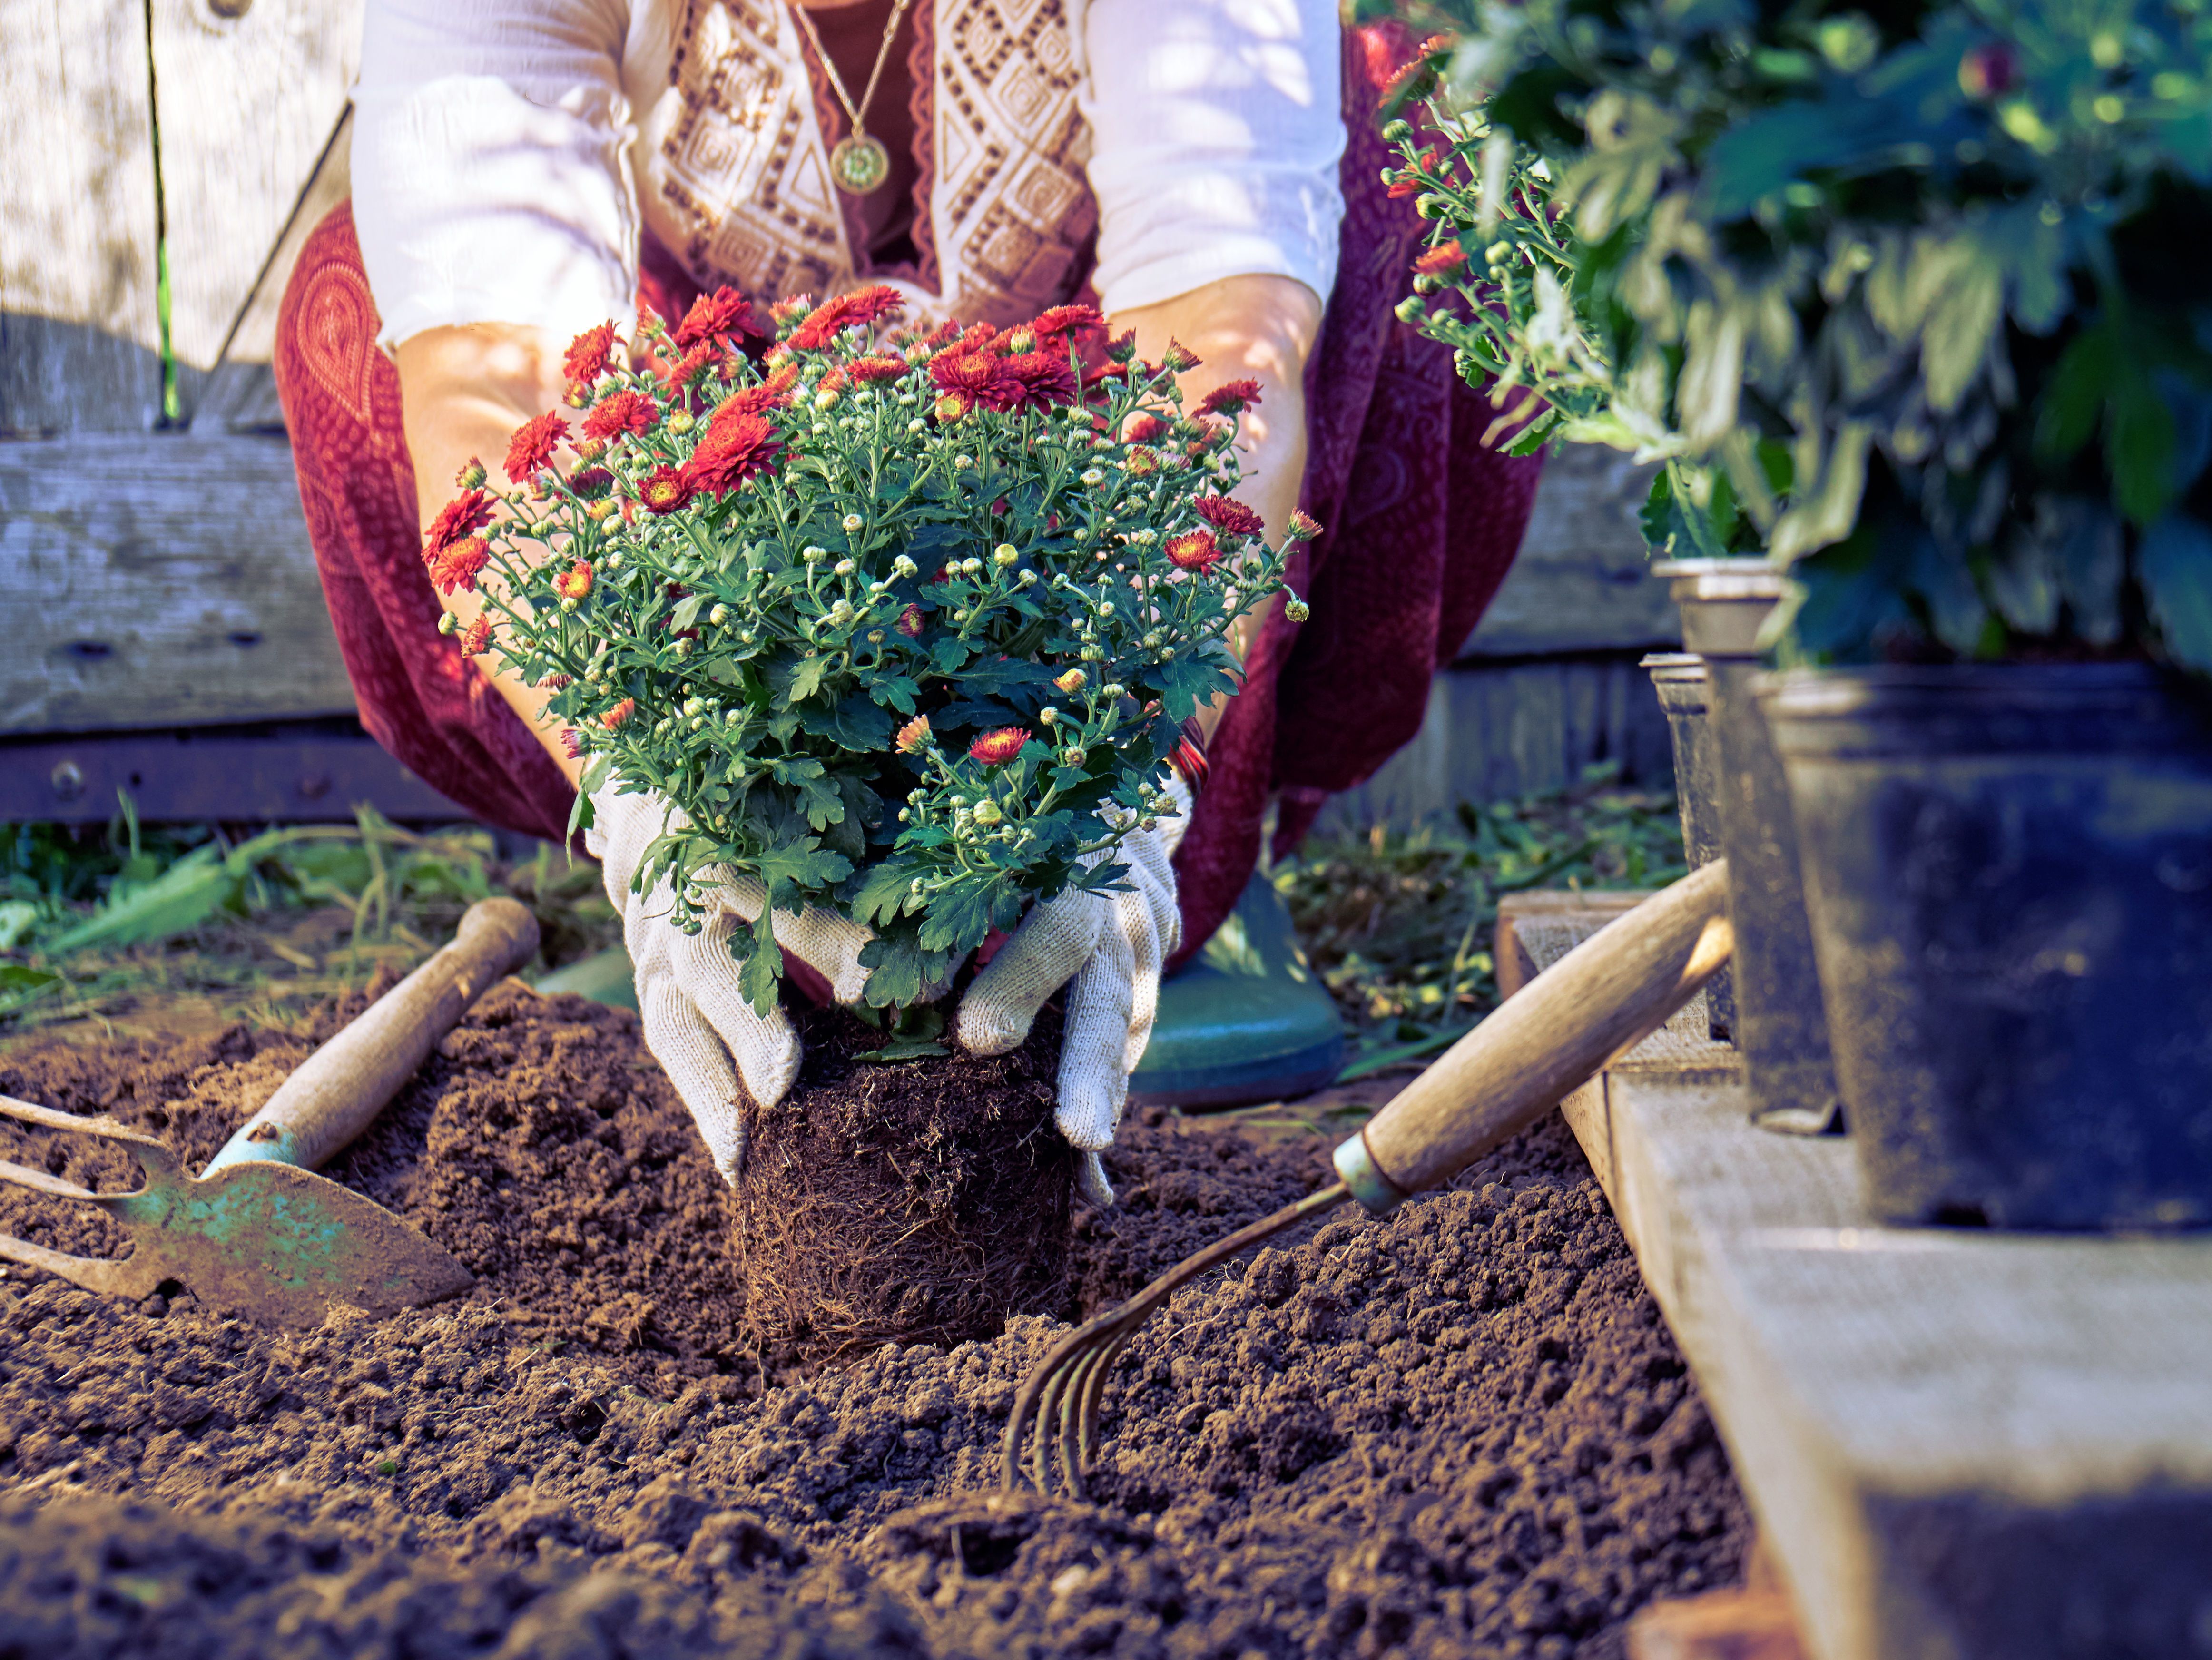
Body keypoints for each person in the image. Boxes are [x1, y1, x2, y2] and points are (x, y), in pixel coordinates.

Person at [275, 0, 1539, 1189]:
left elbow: (1226, 346)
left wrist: (1122, 795)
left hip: (1067, 526)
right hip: (748, 573)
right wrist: (646, 794)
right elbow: (486, 388)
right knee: (359, 302)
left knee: (1415, 171)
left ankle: (1174, 862)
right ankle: (731, 908)